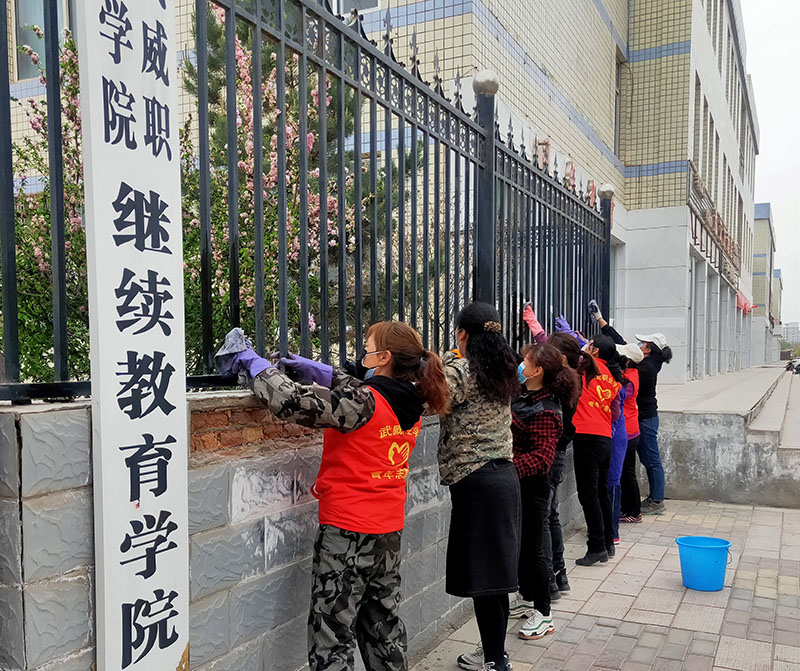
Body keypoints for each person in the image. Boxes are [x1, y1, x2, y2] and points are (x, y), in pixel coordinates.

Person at [216, 322, 449, 671]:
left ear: (384, 357)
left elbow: (291, 401)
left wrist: (251, 362)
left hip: (347, 533)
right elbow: (363, 391)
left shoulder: (365, 402)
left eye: (368, 348)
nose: (363, 353)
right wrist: (322, 373)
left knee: (332, 637)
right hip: (387, 531)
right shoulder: (412, 400)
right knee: (383, 629)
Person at [438, 302, 521, 671]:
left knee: (485, 578)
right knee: (496, 577)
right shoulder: (503, 368)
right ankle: (494, 654)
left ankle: (494, 662)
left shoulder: (462, 368)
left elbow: (431, 400)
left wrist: (444, 360)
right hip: (503, 477)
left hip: (477, 481)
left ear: (462, 334)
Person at [509, 343, 580, 641]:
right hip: (519, 485)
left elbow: (541, 460)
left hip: (534, 488)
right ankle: (528, 599)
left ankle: (544, 612)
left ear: (538, 371)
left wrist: (506, 468)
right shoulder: (526, 396)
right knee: (522, 549)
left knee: (534, 550)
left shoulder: (547, 410)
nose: (521, 365)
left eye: (526, 361)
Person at [521, 306, 579, 596]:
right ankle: (559, 575)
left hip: (549, 458)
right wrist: (533, 323)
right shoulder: (566, 381)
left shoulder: (552, 396)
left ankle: (548, 584)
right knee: (550, 516)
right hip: (556, 455)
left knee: (543, 519)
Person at [571, 333, 623, 566]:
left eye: (589, 344)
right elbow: (616, 412)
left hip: (587, 436)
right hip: (605, 437)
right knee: (601, 492)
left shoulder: (585, 370)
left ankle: (596, 547)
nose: (585, 347)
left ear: (595, 351)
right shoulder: (611, 376)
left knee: (588, 494)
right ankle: (608, 543)